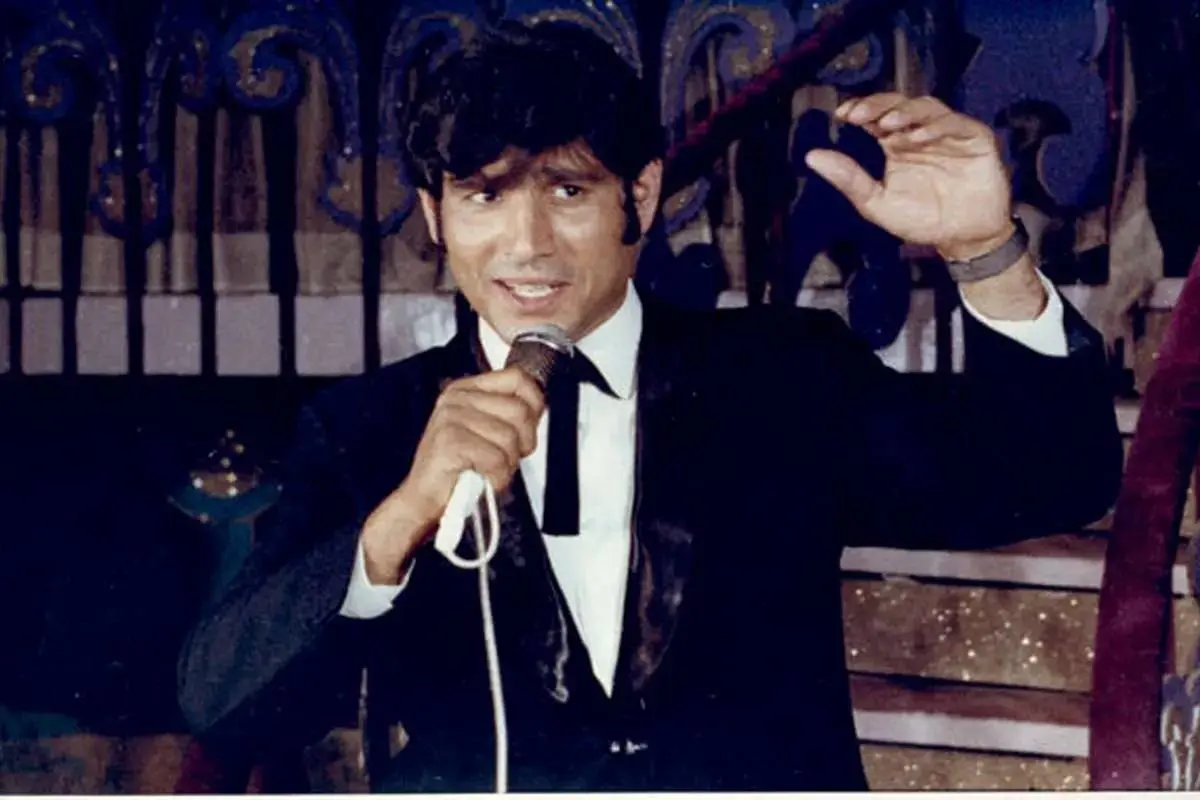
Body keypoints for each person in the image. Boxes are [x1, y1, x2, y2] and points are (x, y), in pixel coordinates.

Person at [177, 22, 1122, 792]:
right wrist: (394, 527)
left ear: (642, 192)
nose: (528, 243)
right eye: (484, 197)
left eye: (568, 189)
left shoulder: (783, 377)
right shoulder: (366, 428)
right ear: (435, 215)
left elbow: (1053, 475)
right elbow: (222, 706)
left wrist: (984, 251)